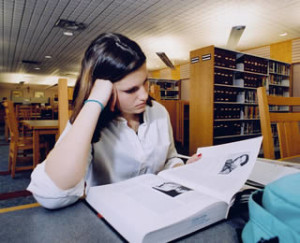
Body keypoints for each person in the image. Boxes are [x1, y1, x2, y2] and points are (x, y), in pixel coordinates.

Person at [27, 33, 200, 209]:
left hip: (153, 210)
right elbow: (51, 195)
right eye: (131, 90)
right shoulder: (88, 122)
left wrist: (182, 167)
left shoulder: (159, 112)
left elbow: (169, 158)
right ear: (104, 89)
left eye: (145, 83)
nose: (144, 95)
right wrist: (94, 102)